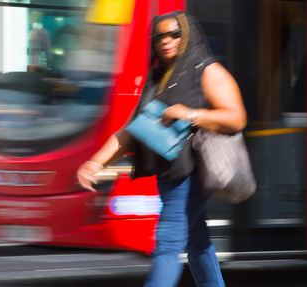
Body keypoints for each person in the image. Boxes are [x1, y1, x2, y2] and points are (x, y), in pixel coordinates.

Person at [76, 11, 246, 287]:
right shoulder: (157, 80)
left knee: (167, 245)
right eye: (160, 37)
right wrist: (94, 164)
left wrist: (191, 114)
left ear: (187, 36)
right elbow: (131, 132)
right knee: (198, 242)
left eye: (174, 34)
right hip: (168, 175)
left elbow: (236, 117)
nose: (166, 41)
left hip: (192, 174)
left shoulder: (207, 70)